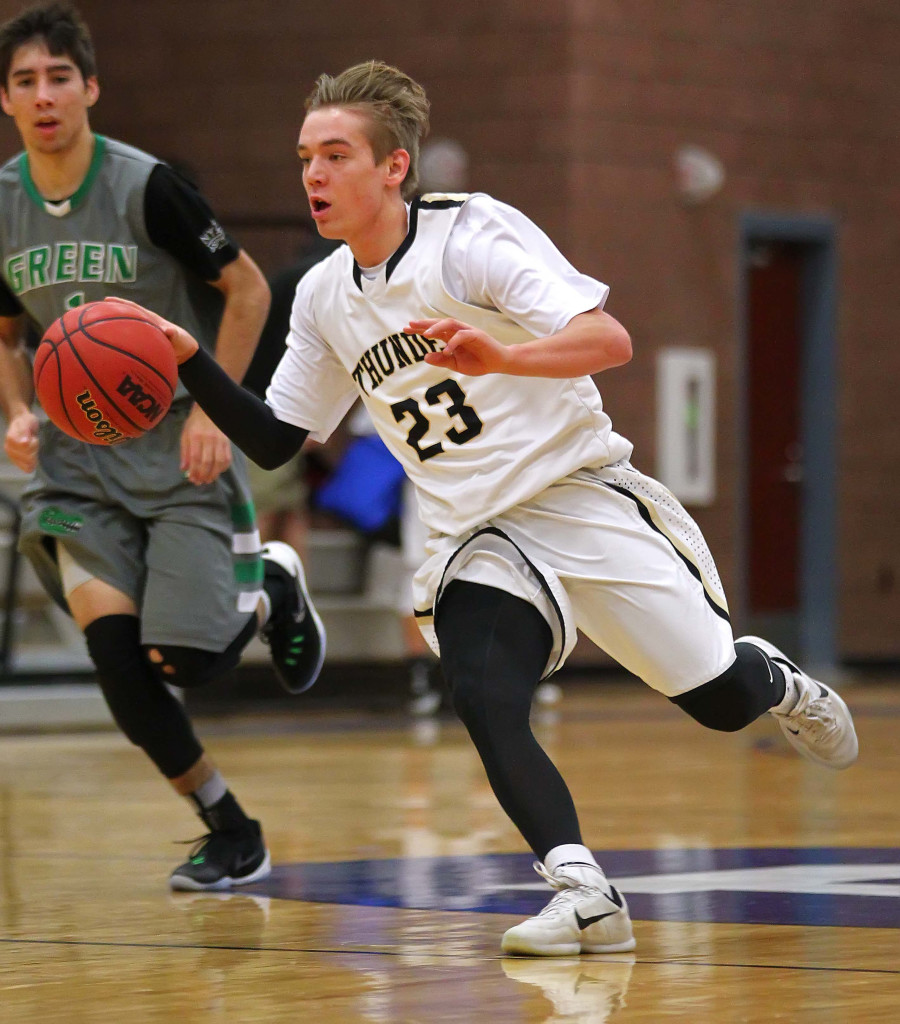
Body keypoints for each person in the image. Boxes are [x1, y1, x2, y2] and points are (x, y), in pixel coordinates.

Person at [121, 60, 858, 955]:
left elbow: (608, 339)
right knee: (480, 688)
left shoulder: (469, 236)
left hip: (578, 492)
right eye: (305, 157)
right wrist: (186, 357)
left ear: (393, 167)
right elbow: (279, 439)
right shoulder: (319, 297)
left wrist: (499, 358)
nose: (312, 175)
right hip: (477, 531)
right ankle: (584, 890)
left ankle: (771, 678)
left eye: (336, 155)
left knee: (719, 701)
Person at [0, 2, 326, 892]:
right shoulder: (0, 207)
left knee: (186, 661)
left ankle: (272, 593)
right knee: (118, 662)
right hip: (75, 466)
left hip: (178, 451)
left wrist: (210, 412)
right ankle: (229, 826)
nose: (44, 95)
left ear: (90, 87)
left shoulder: (146, 187)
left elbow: (250, 289)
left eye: (59, 77)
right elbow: (4, 335)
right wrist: (17, 412)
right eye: (25, 81)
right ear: (5, 99)